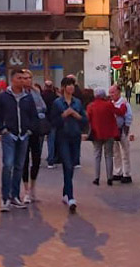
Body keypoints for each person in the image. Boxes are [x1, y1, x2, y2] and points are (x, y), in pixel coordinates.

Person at [0, 68, 39, 211]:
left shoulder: (28, 98)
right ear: (12, 79)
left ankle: (15, 196)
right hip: (9, 136)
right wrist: (3, 129)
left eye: (24, 78)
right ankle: (5, 198)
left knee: (19, 167)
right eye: (20, 78)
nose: (23, 81)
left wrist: (29, 130)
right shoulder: (3, 96)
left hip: (23, 136)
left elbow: (34, 116)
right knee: (8, 165)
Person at [50, 76, 88, 213]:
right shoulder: (57, 103)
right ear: (63, 87)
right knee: (67, 165)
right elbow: (53, 121)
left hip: (75, 137)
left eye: (73, 85)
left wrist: (76, 115)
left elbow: (84, 120)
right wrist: (64, 115)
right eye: (68, 85)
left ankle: (65, 192)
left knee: (71, 165)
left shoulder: (77, 102)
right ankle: (71, 197)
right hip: (63, 137)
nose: (71, 87)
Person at [86, 87, 126, 187]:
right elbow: (119, 112)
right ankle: (109, 178)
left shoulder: (91, 106)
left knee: (97, 155)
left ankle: (96, 178)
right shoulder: (108, 105)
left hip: (96, 133)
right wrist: (124, 106)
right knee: (109, 155)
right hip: (109, 133)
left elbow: (87, 119)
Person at [21, 74, 47, 204]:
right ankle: (25, 191)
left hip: (36, 131)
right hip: (23, 131)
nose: (28, 80)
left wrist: (35, 111)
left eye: (30, 77)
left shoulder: (35, 92)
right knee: (24, 160)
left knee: (36, 160)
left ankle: (33, 189)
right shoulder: (18, 93)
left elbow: (43, 107)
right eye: (25, 78)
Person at [110, 84, 133, 183]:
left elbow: (129, 116)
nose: (111, 94)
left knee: (125, 152)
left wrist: (126, 127)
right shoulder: (111, 103)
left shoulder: (124, 103)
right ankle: (117, 171)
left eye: (113, 92)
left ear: (118, 92)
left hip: (122, 129)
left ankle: (126, 173)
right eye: (110, 92)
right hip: (113, 130)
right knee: (115, 152)